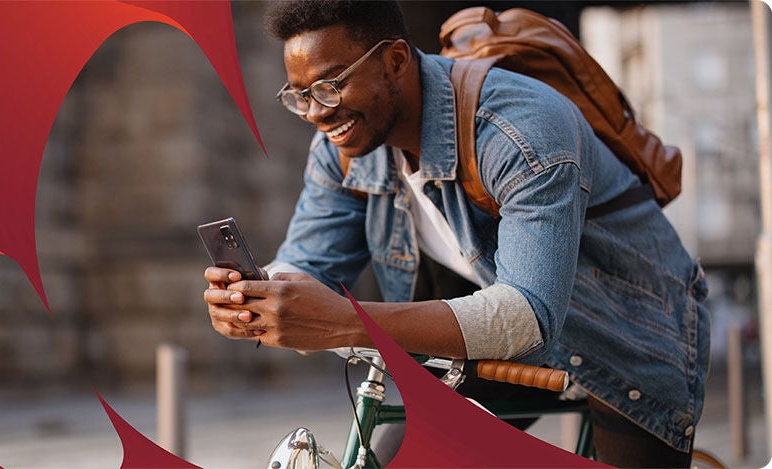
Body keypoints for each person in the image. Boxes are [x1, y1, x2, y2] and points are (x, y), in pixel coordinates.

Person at [203, 1, 710, 466]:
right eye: (300, 95)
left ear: (396, 61)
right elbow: (309, 259)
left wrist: (350, 320)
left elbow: (526, 313)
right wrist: (264, 293)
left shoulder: (521, 131)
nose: (316, 113)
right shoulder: (343, 147)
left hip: (625, 330)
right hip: (490, 336)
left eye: (331, 86)